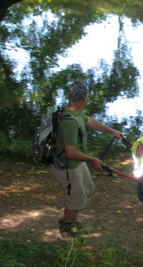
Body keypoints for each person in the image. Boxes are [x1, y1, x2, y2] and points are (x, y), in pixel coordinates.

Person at [53, 79, 123, 235]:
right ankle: (66, 229)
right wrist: (92, 159)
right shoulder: (70, 122)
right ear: (84, 99)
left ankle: (67, 217)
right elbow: (70, 152)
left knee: (83, 190)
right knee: (76, 199)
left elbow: (90, 122)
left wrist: (112, 131)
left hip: (76, 164)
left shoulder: (75, 112)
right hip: (68, 167)